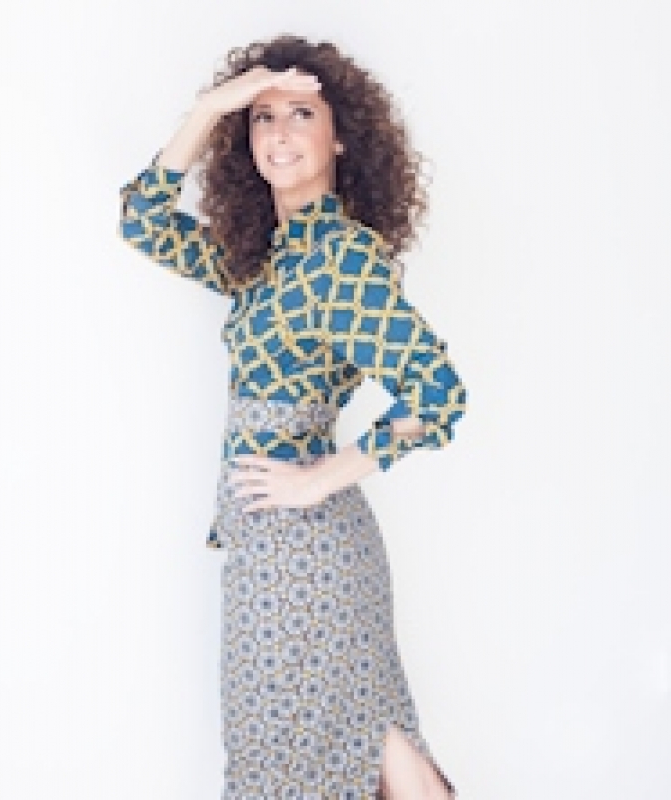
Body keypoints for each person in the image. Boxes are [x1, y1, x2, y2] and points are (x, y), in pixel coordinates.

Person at [118, 33, 466, 800]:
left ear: (340, 137)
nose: (278, 132)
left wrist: (320, 479)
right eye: (262, 117)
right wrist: (211, 108)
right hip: (268, 547)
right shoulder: (266, 262)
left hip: (305, 556)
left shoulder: (341, 260)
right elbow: (144, 221)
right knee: (374, 759)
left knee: (305, 766)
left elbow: (438, 392)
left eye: (301, 113)